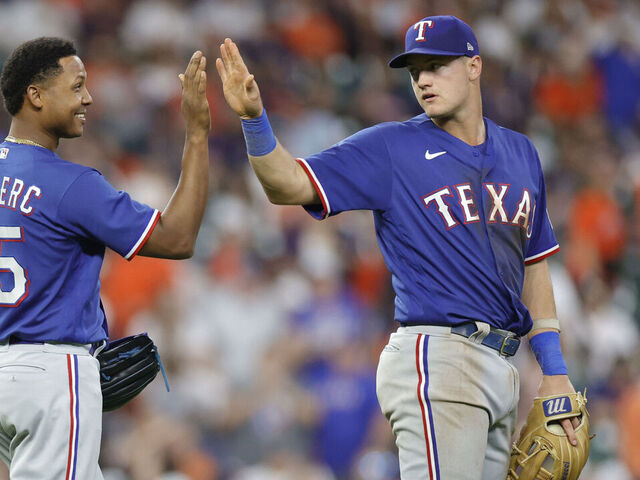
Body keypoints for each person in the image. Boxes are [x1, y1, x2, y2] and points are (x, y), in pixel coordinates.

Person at [216, 15, 582, 480]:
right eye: (415, 71)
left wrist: (553, 371)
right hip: (438, 357)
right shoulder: (392, 147)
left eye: (437, 65)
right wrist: (254, 120)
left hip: (504, 366)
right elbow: (287, 184)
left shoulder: (522, 153)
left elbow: (534, 266)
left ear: (474, 66)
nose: (424, 80)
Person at [0, 37, 210, 479]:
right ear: (34, 96)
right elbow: (177, 239)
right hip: (50, 374)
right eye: (76, 86)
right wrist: (197, 133)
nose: (88, 98)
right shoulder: (71, 184)